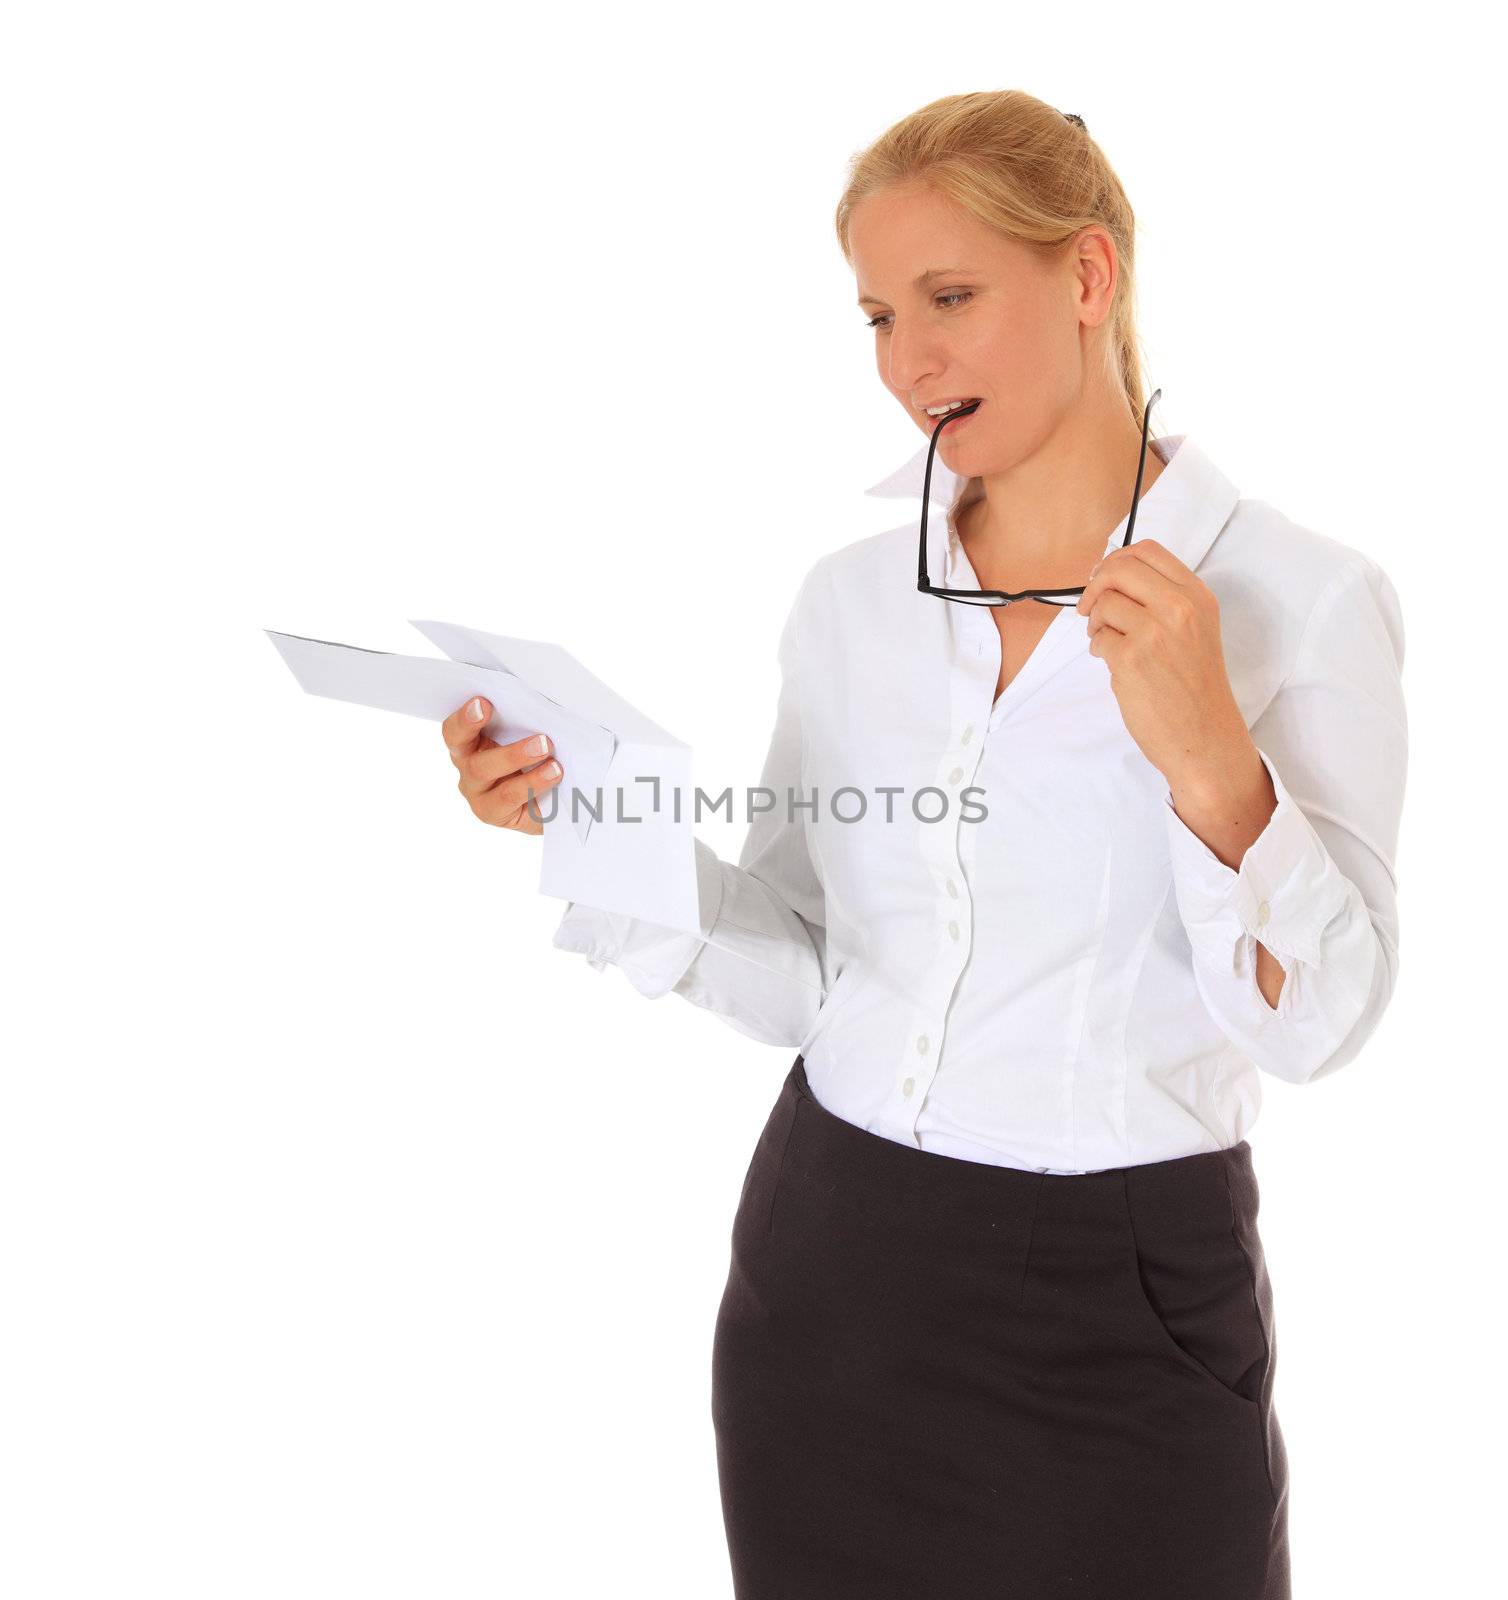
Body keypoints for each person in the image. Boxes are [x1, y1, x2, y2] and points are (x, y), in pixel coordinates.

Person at [440, 89, 1407, 1600]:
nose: (908, 361)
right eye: (882, 316)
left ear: (1087, 279)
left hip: (1127, 1298)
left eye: (951, 299)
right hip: (832, 1277)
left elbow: (1322, 1029)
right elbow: (805, 964)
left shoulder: (1302, 602)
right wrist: (585, 812)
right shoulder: (851, 604)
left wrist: (1218, 768)